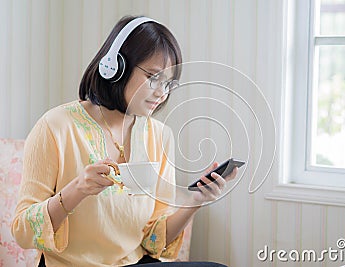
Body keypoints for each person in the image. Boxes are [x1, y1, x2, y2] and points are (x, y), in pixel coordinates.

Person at [11, 15, 238, 267]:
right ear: (115, 67)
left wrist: (195, 201)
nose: (162, 93)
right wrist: (77, 190)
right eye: (153, 78)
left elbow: (153, 242)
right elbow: (22, 230)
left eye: (168, 84)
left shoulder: (160, 136)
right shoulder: (55, 126)